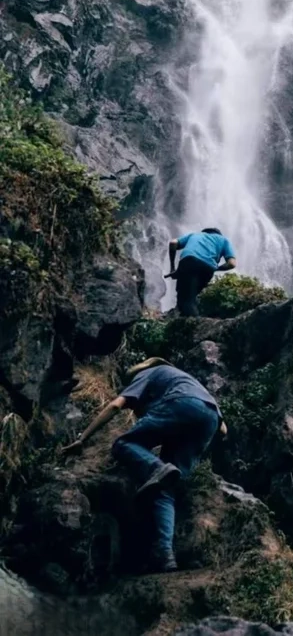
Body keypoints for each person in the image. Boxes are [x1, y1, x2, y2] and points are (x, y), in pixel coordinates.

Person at [62, 358, 227, 573]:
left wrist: (82, 439)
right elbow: (223, 431)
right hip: (210, 421)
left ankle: (156, 468)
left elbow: (114, 405)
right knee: (164, 489)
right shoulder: (190, 383)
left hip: (180, 404)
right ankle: (165, 555)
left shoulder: (148, 373)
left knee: (124, 443)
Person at [165, 227, 237, 317]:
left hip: (188, 262)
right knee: (192, 296)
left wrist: (172, 268)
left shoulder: (195, 235)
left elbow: (173, 243)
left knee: (186, 299)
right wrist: (215, 268)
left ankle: (193, 324)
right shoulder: (223, 240)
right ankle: (188, 319)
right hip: (208, 268)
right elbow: (232, 263)